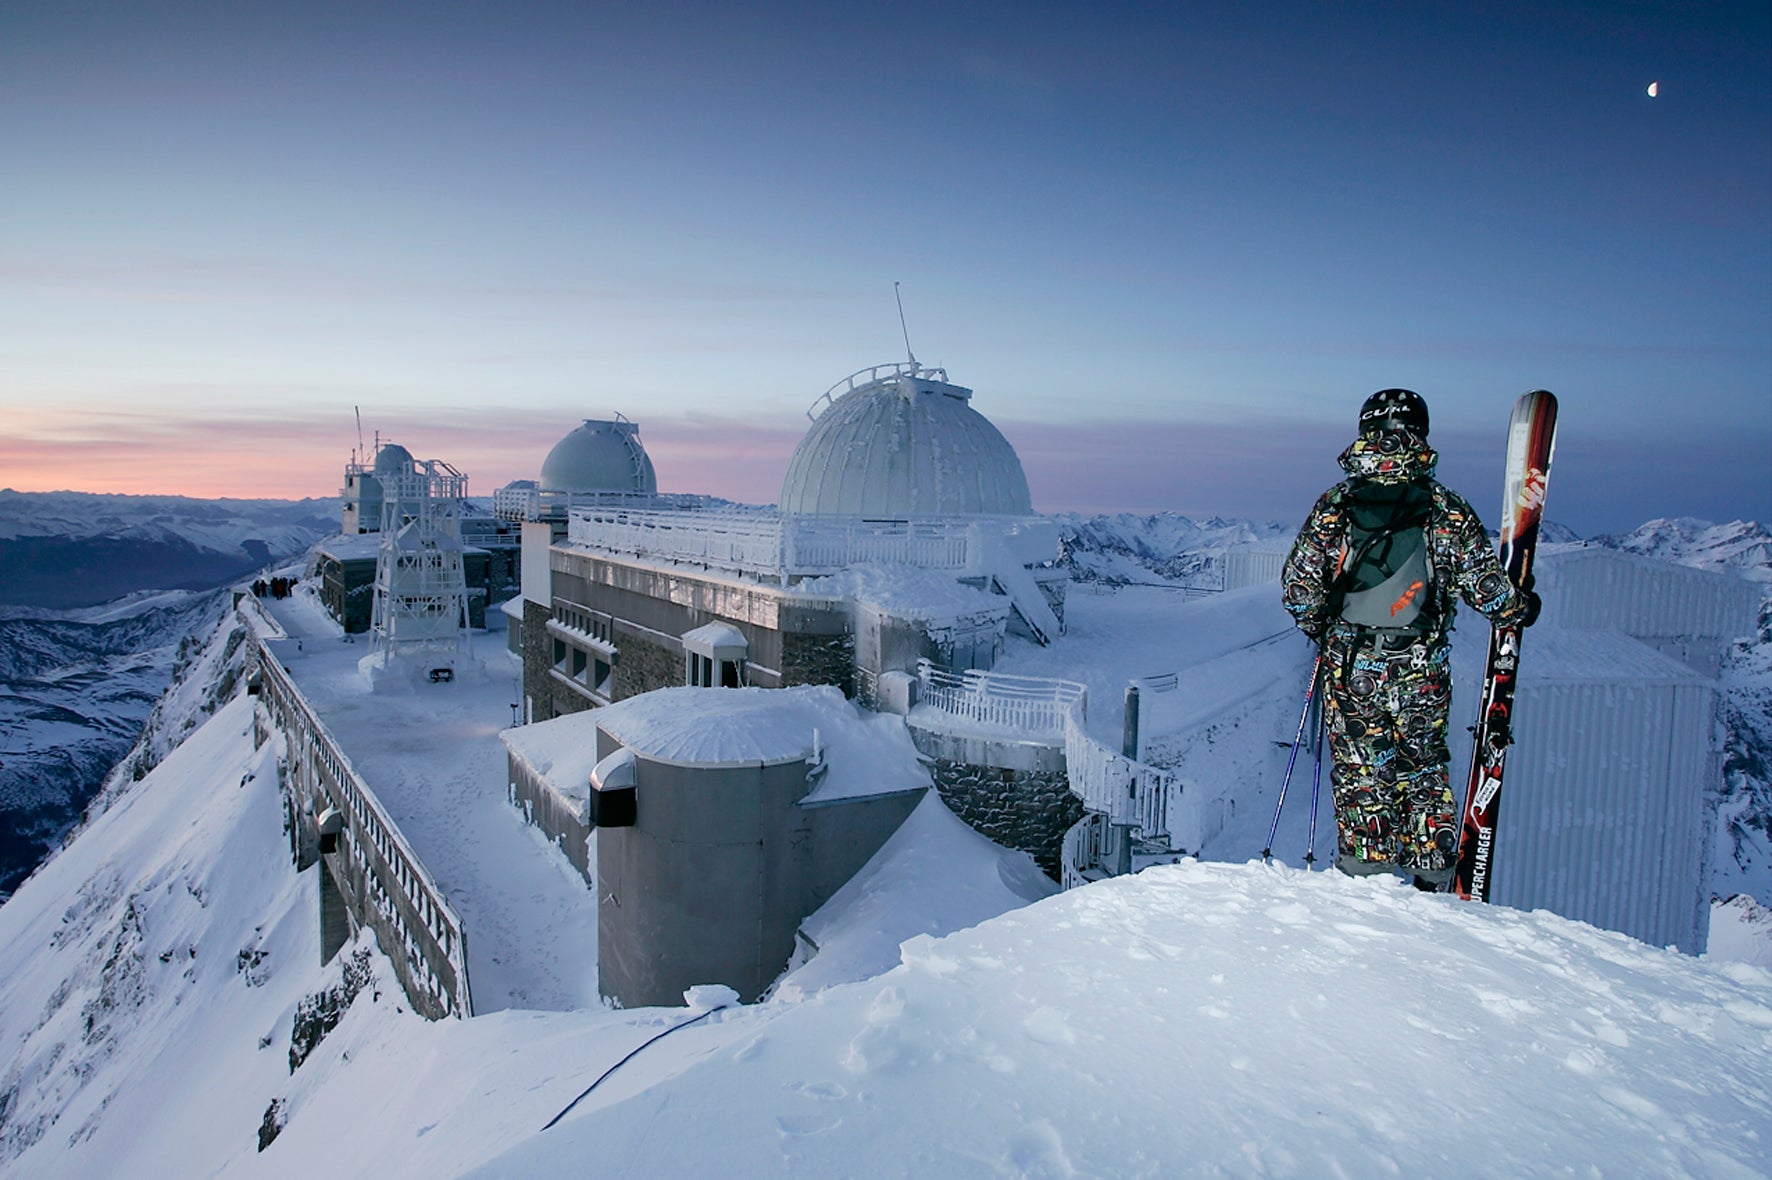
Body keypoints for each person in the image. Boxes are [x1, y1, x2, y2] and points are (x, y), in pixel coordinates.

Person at [1281, 389, 1540, 889]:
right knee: (1422, 767)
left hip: (1351, 665)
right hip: (1421, 667)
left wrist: (1324, 630)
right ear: (1421, 432)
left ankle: (1366, 876)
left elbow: (1299, 588)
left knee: (1362, 772)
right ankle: (1430, 878)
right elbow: (1487, 591)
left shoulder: (1337, 503)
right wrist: (1521, 607)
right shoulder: (1445, 507)